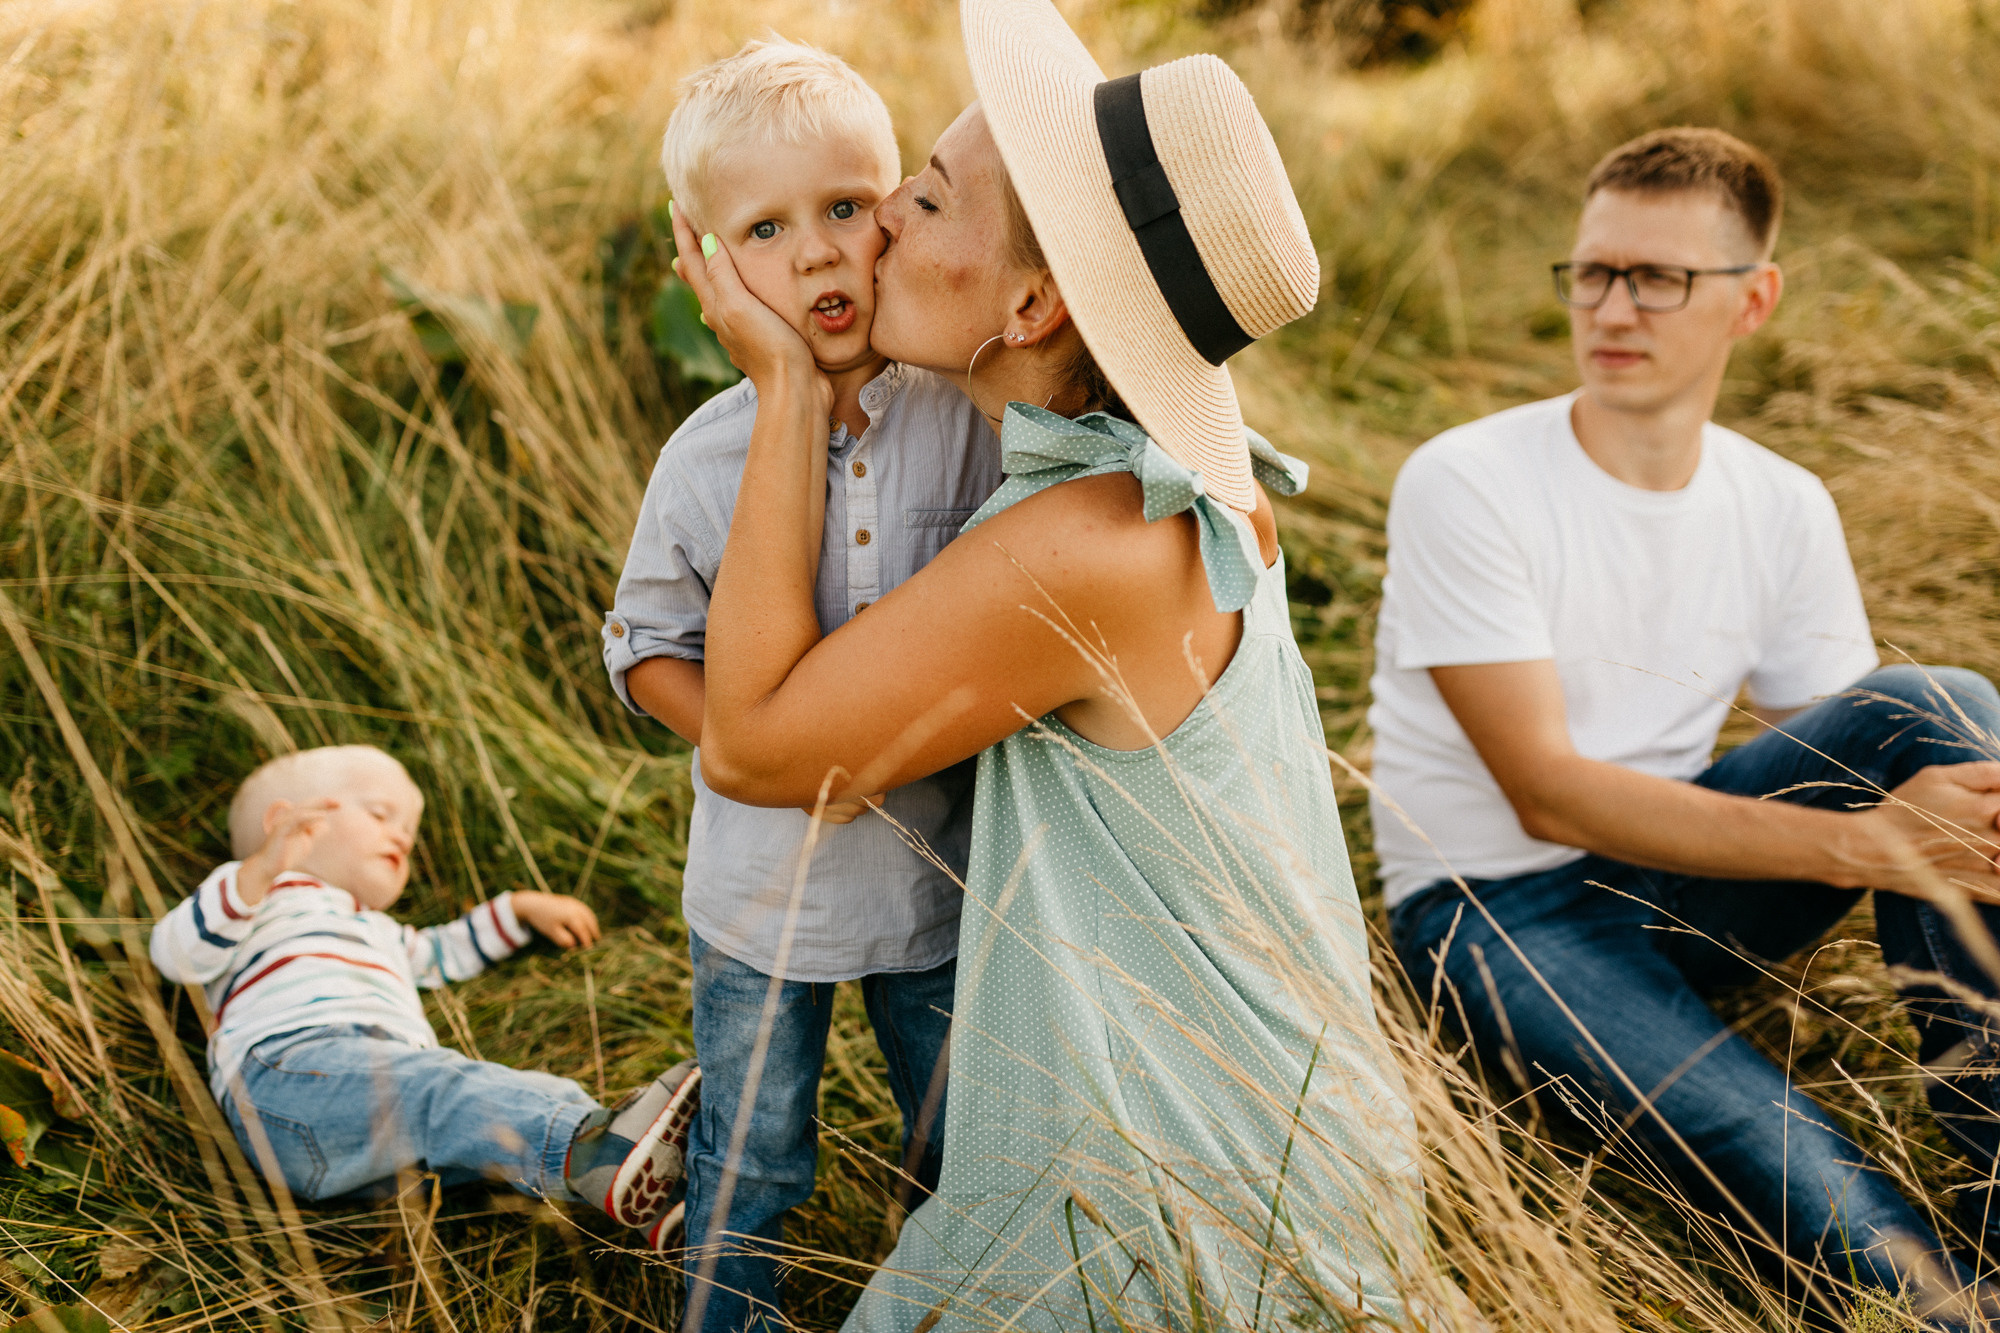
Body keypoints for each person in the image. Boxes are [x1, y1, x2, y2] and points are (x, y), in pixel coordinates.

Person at [667, 0, 1430, 1328]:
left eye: (931, 195)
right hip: (1249, 1125)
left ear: (1031, 300)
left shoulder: (1087, 545)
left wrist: (785, 392)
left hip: (1185, 1187)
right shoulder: (1144, 473)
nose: (885, 216)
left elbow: (753, 748)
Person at [1370, 126, 2000, 1324]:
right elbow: (1544, 791)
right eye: (1592, 271)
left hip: (1678, 882)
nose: (1612, 306)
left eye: (1658, 278)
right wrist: (1865, 846)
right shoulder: (1465, 479)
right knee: (1802, 1165)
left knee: (1943, 708)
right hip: (1492, 913)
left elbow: (1851, 743)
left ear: (1749, 300)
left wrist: (1920, 815)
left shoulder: (1778, 501)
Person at [601, 37, 1003, 1328]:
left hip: (936, 878)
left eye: (846, 207)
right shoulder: (707, 457)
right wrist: (749, 740)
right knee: (758, 1147)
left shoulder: (966, 415)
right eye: (766, 228)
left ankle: (949, 1300)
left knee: (958, 1137)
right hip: (761, 889)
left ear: (896, 208)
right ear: (707, 262)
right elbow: (645, 641)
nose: (821, 253)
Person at [148, 745, 699, 1232]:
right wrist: (261, 870)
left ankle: (648, 1198)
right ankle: (594, 1147)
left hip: (377, 1149)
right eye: (380, 815)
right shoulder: (251, 899)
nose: (401, 838)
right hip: (288, 1080)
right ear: (285, 823)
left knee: (486, 1121)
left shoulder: (378, 931)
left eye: (407, 834)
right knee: (448, 1089)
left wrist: (518, 909)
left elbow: (442, 952)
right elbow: (174, 954)